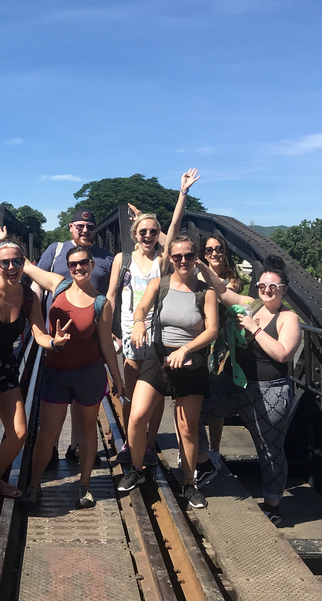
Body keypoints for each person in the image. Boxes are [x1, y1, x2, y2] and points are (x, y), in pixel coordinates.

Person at [0, 230, 65, 502]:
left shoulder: (29, 297)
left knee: (19, 433)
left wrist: (53, 342)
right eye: (4, 263)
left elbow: (39, 333)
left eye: (17, 262)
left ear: (23, 263)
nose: (11, 268)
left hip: (5, 368)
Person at [196, 254, 301, 526]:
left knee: (269, 449)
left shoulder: (288, 318)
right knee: (193, 407)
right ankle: (205, 462)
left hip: (270, 392)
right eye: (262, 286)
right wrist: (199, 265)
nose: (266, 290)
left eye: (273, 287)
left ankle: (273, 506)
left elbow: (283, 354)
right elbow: (221, 290)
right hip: (234, 385)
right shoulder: (252, 304)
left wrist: (255, 329)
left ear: (283, 290)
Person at [106, 169, 201, 468]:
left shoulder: (163, 260)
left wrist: (182, 193)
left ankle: (148, 443)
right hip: (129, 330)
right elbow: (110, 295)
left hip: (156, 335)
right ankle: (128, 441)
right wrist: (108, 331)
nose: (147, 235)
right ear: (134, 235)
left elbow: (173, 227)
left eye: (151, 231)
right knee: (129, 393)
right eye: (142, 231)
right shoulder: (122, 259)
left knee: (156, 393)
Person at [20, 245, 125, 510]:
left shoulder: (102, 303)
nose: (79, 268)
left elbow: (104, 343)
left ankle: (85, 486)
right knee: (48, 432)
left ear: (91, 265)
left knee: (87, 429)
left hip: (88, 373)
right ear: (68, 267)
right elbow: (26, 266)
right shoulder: (59, 287)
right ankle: (34, 485)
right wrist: (3, 240)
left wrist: (116, 376)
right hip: (56, 372)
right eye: (74, 264)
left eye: (84, 263)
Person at [117, 235, 218, 510]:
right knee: (137, 416)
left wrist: (186, 349)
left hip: (190, 361)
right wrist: (139, 323)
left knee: (187, 429)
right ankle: (136, 469)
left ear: (195, 257)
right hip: (157, 356)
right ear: (170, 259)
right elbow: (141, 308)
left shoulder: (205, 292)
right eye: (177, 256)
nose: (183, 261)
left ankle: (189, 483)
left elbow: (211, 330)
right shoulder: (158, 284)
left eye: (188, 256)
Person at [32, 209, 114, 463]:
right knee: (53, 402)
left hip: (89, 339)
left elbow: (113, 298)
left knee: (84, 400)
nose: (85, 230)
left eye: (90, 227)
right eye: (80, 226)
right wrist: (33, 321)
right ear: (70, 227)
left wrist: (115, 334)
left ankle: (77, 447)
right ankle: (50, 452)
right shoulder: (55, 250)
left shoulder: (108, 259)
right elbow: (36, 283)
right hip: (54, 339)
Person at [198, 231, 243, 470]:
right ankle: (194, 446)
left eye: (219, 249)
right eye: (209, 250)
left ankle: (214, 450)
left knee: (216, 399)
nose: (214, 253)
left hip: (222, 346)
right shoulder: (195, 274)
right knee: (193, 396)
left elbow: (223, 294)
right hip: (198, 342)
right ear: (202, 254)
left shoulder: (232, 280)